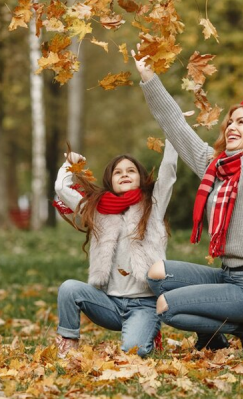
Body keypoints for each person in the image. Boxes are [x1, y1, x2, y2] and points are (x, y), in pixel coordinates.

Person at [132, 37, 243, 352]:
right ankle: (238, 329)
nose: (230, 126)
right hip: (227, 277)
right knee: (156, 274)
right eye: (230, 121)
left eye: (241, 122)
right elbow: (175, 126)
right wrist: (148, 76)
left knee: (166, 306)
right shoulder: (215, 168)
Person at [53, 142, 178, 358]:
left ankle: (150, 333)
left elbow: (168, 170)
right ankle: (68, 342)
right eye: (118, 172)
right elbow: (61, 189)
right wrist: (69, 165)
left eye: (131, 171)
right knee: (69, 288)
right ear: (110, 180)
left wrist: (172, 137)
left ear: (140, 177)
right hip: (109, 302)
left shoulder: (153, 204)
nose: (124, 175)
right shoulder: (96, 208)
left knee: (133, 352)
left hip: (144, 304)